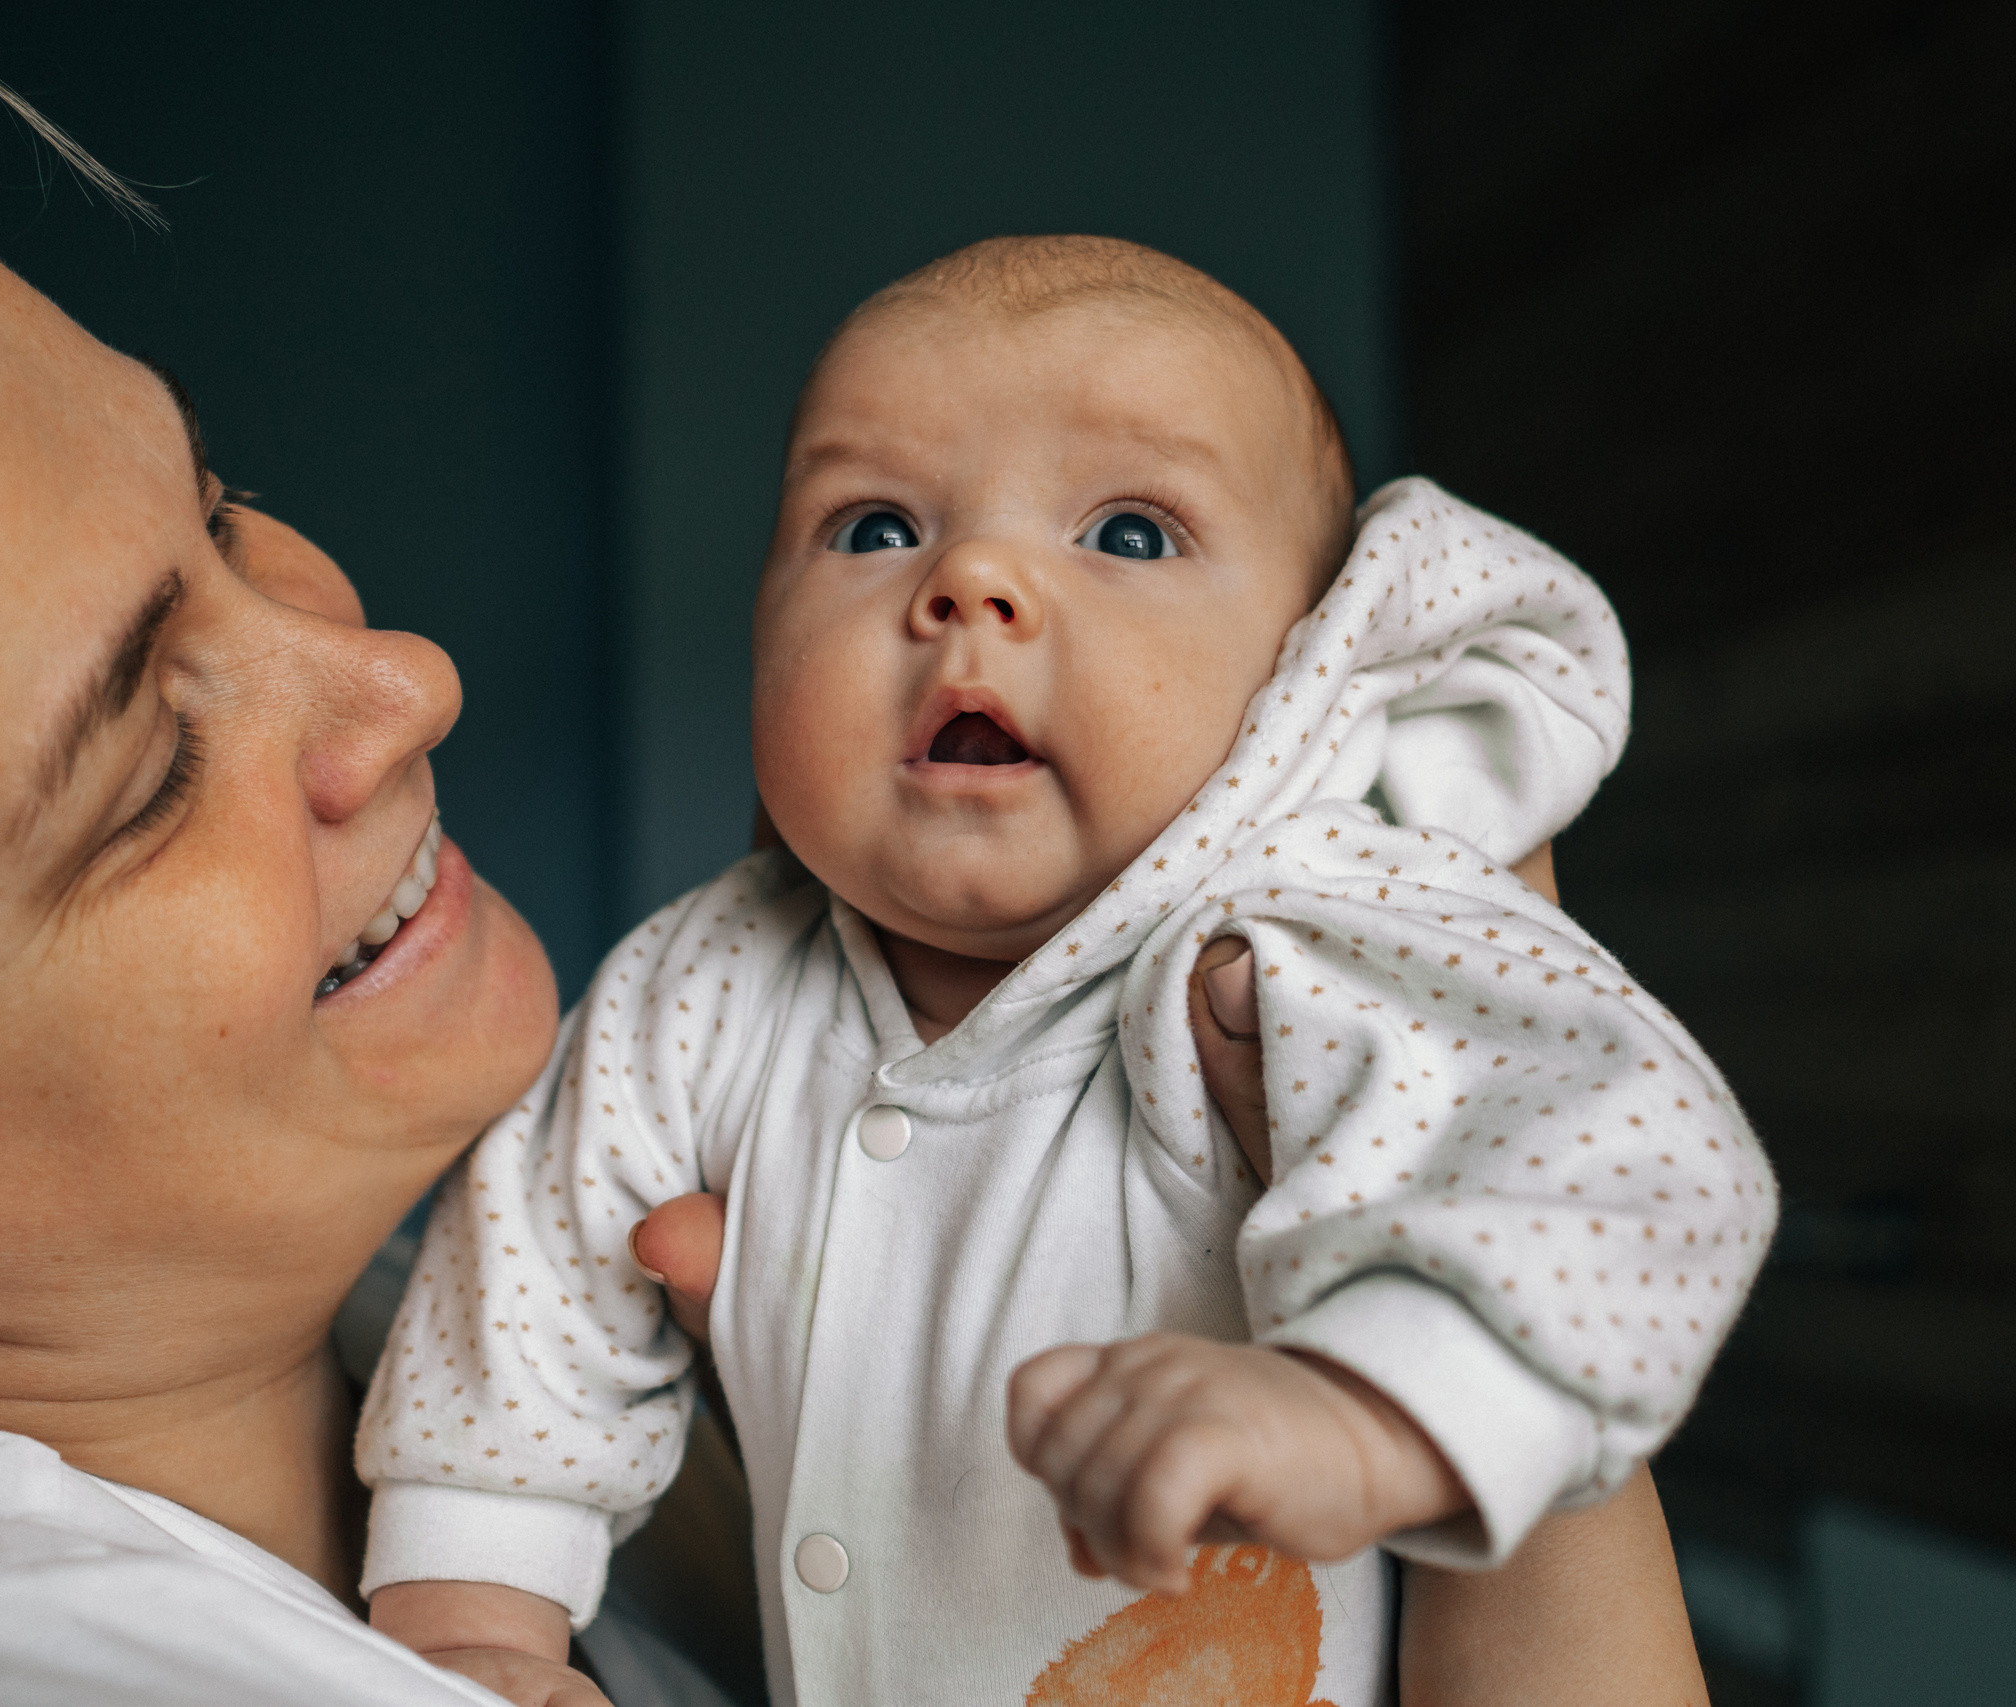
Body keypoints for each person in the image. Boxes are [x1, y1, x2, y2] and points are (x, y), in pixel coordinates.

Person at [0, 3, 1709, 1703]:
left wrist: (1437, 1339)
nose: (404, 677)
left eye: (222, 503)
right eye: (139, 765)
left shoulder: (407, 1319)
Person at [357, 239, 1775, 1706]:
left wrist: (1367, 1417)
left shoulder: (1313, 929)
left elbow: (1604, 1138)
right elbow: (522, 1284)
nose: (971, 581)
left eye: (1133, 533)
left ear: (1308, 666)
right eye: (872, 527)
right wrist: (476, 1623)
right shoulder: (704, 983)